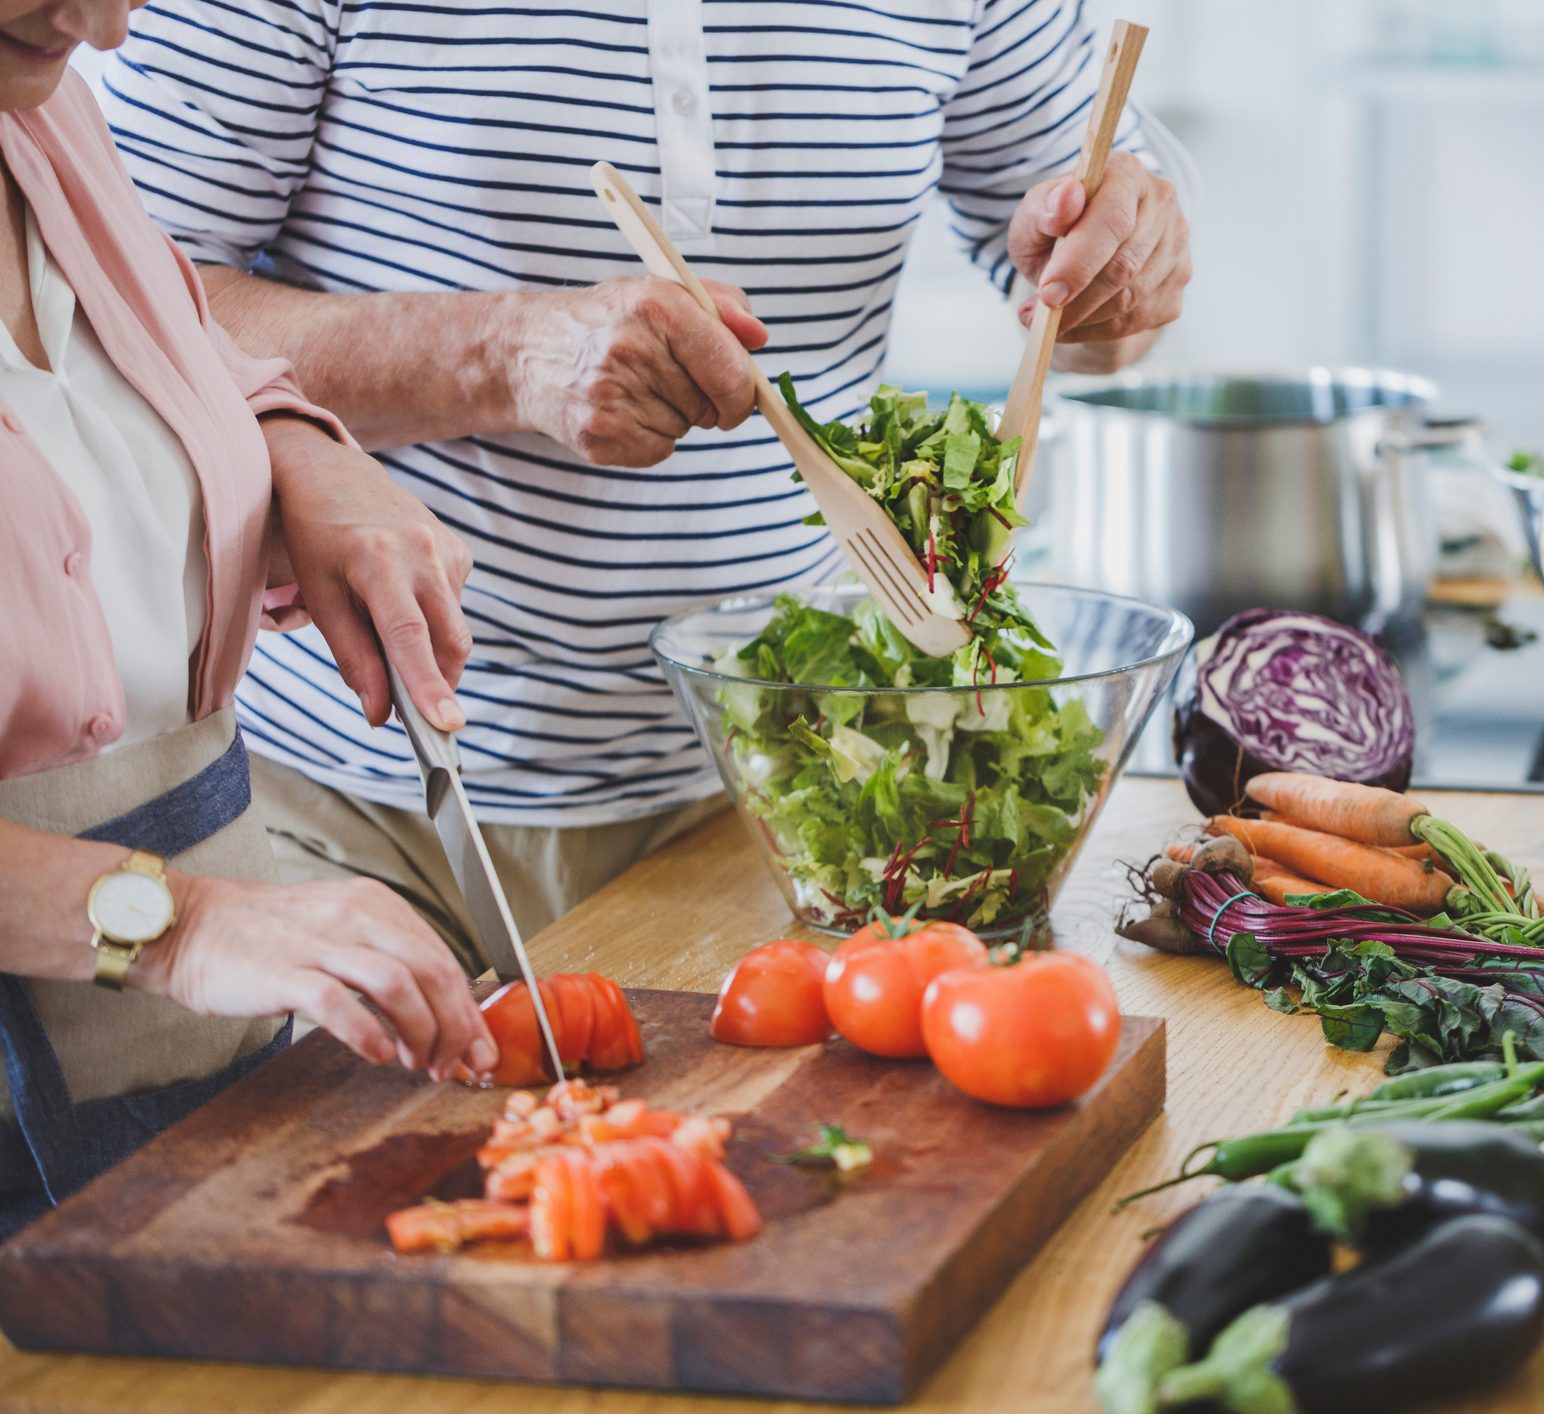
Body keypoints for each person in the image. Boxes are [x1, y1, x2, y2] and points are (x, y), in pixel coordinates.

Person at [92, 0, 1194, 968]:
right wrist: (502, 354)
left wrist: (1123, 267)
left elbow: (1090, 308)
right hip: (355, 800)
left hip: (781, 802)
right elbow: (101, 300)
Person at [0, 0, 493, 1238]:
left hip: (191, 1081)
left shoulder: (43, 113)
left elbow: (167, 353)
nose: (105, 26)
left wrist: (292, 450)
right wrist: (180, 923)